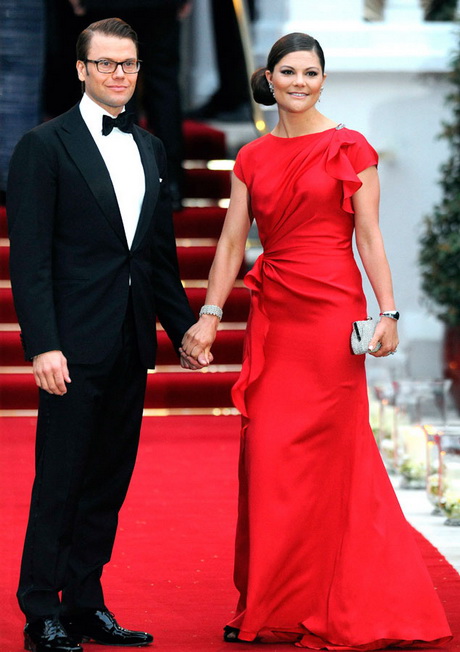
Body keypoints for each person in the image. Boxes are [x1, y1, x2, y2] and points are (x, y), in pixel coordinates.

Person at [180, 32, 453, 648]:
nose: (300, 82)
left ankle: (338, 599)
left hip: (332, 317)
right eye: (288, 72)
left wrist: (389, 313)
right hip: (276, 316)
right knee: (272, 459)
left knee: (334, 463)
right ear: (269, 80)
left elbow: (371, 238)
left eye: (311, 72)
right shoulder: (251, 156)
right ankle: (272, 605)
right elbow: (230, 243)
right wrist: (211, 314)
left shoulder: (352, 147)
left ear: (323, 80)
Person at [7, 17, 206, 652]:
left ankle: (86, 602)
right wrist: (43, 344)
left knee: (108, 482)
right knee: (59, 480)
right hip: (70, 345)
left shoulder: (150, 148)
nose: (119, 74)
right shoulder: (44, 145)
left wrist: (184, 331)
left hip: (129, 343)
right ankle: (42, 610)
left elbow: (156, 259)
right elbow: (30, 258)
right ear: (81, 69)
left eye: (128, 64)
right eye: (106, 64)